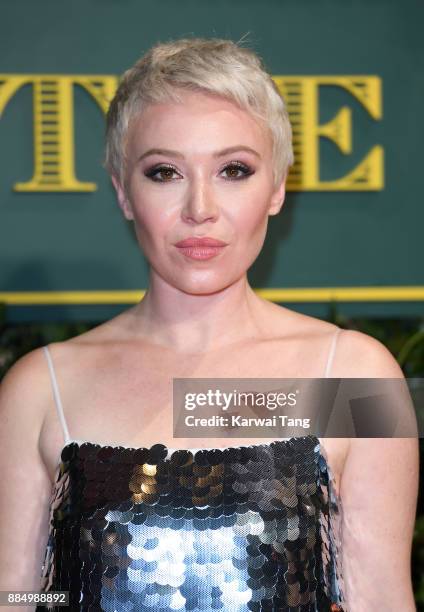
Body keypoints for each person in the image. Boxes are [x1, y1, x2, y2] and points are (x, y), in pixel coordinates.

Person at [0, 37, 419, 612]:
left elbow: (379, 597)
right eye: (165, 171)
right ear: (124, 192)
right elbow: (17, 595)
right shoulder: (41, 389)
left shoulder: (357, 376)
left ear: (276, 188)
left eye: (234, 169)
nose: (200, 207)